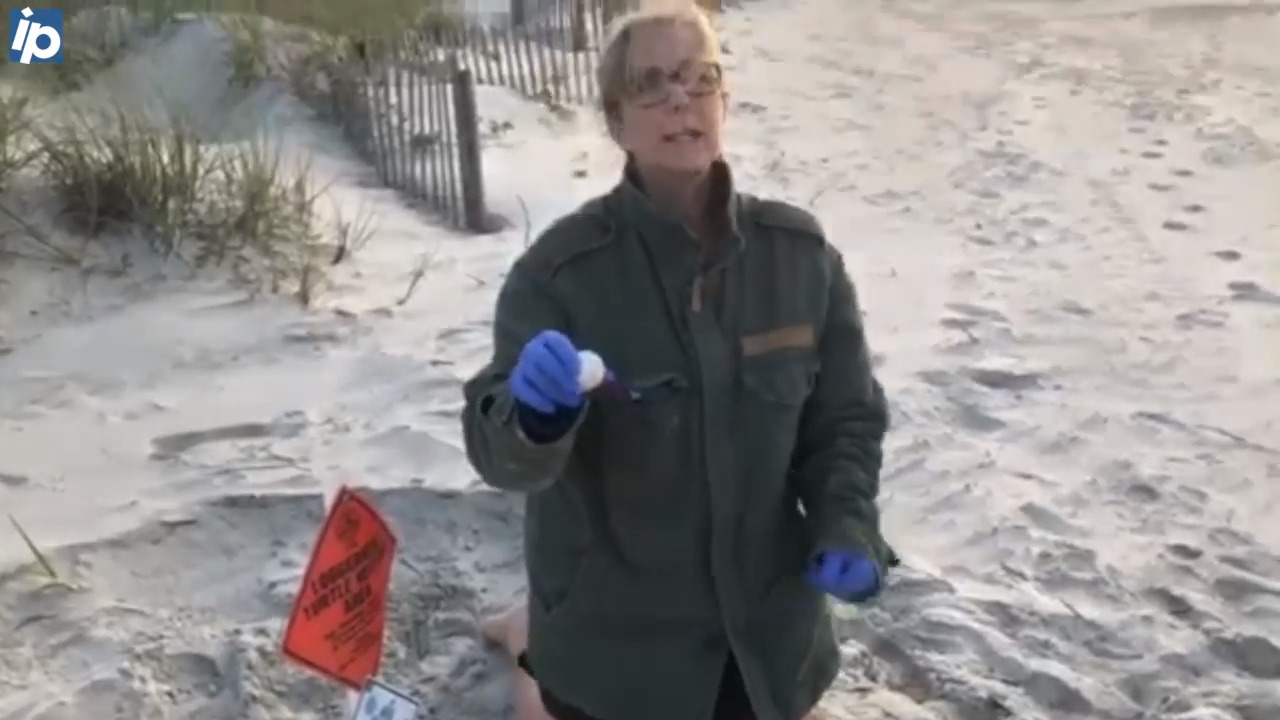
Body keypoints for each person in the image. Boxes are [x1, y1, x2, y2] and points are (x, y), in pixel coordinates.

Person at [462, 4, 897, 720]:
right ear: (615, 119)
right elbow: (501, 456)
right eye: (652, 83)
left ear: (725, 100)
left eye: (701, 78)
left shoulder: (801, 257)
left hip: (769, 645)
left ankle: (521, 626)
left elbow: (845, 420)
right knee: (535, 699)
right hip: (611, 655)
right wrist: (530, 421)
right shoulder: (557, 275)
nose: (679, 100)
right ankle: (527, 642)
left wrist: (846, 522)